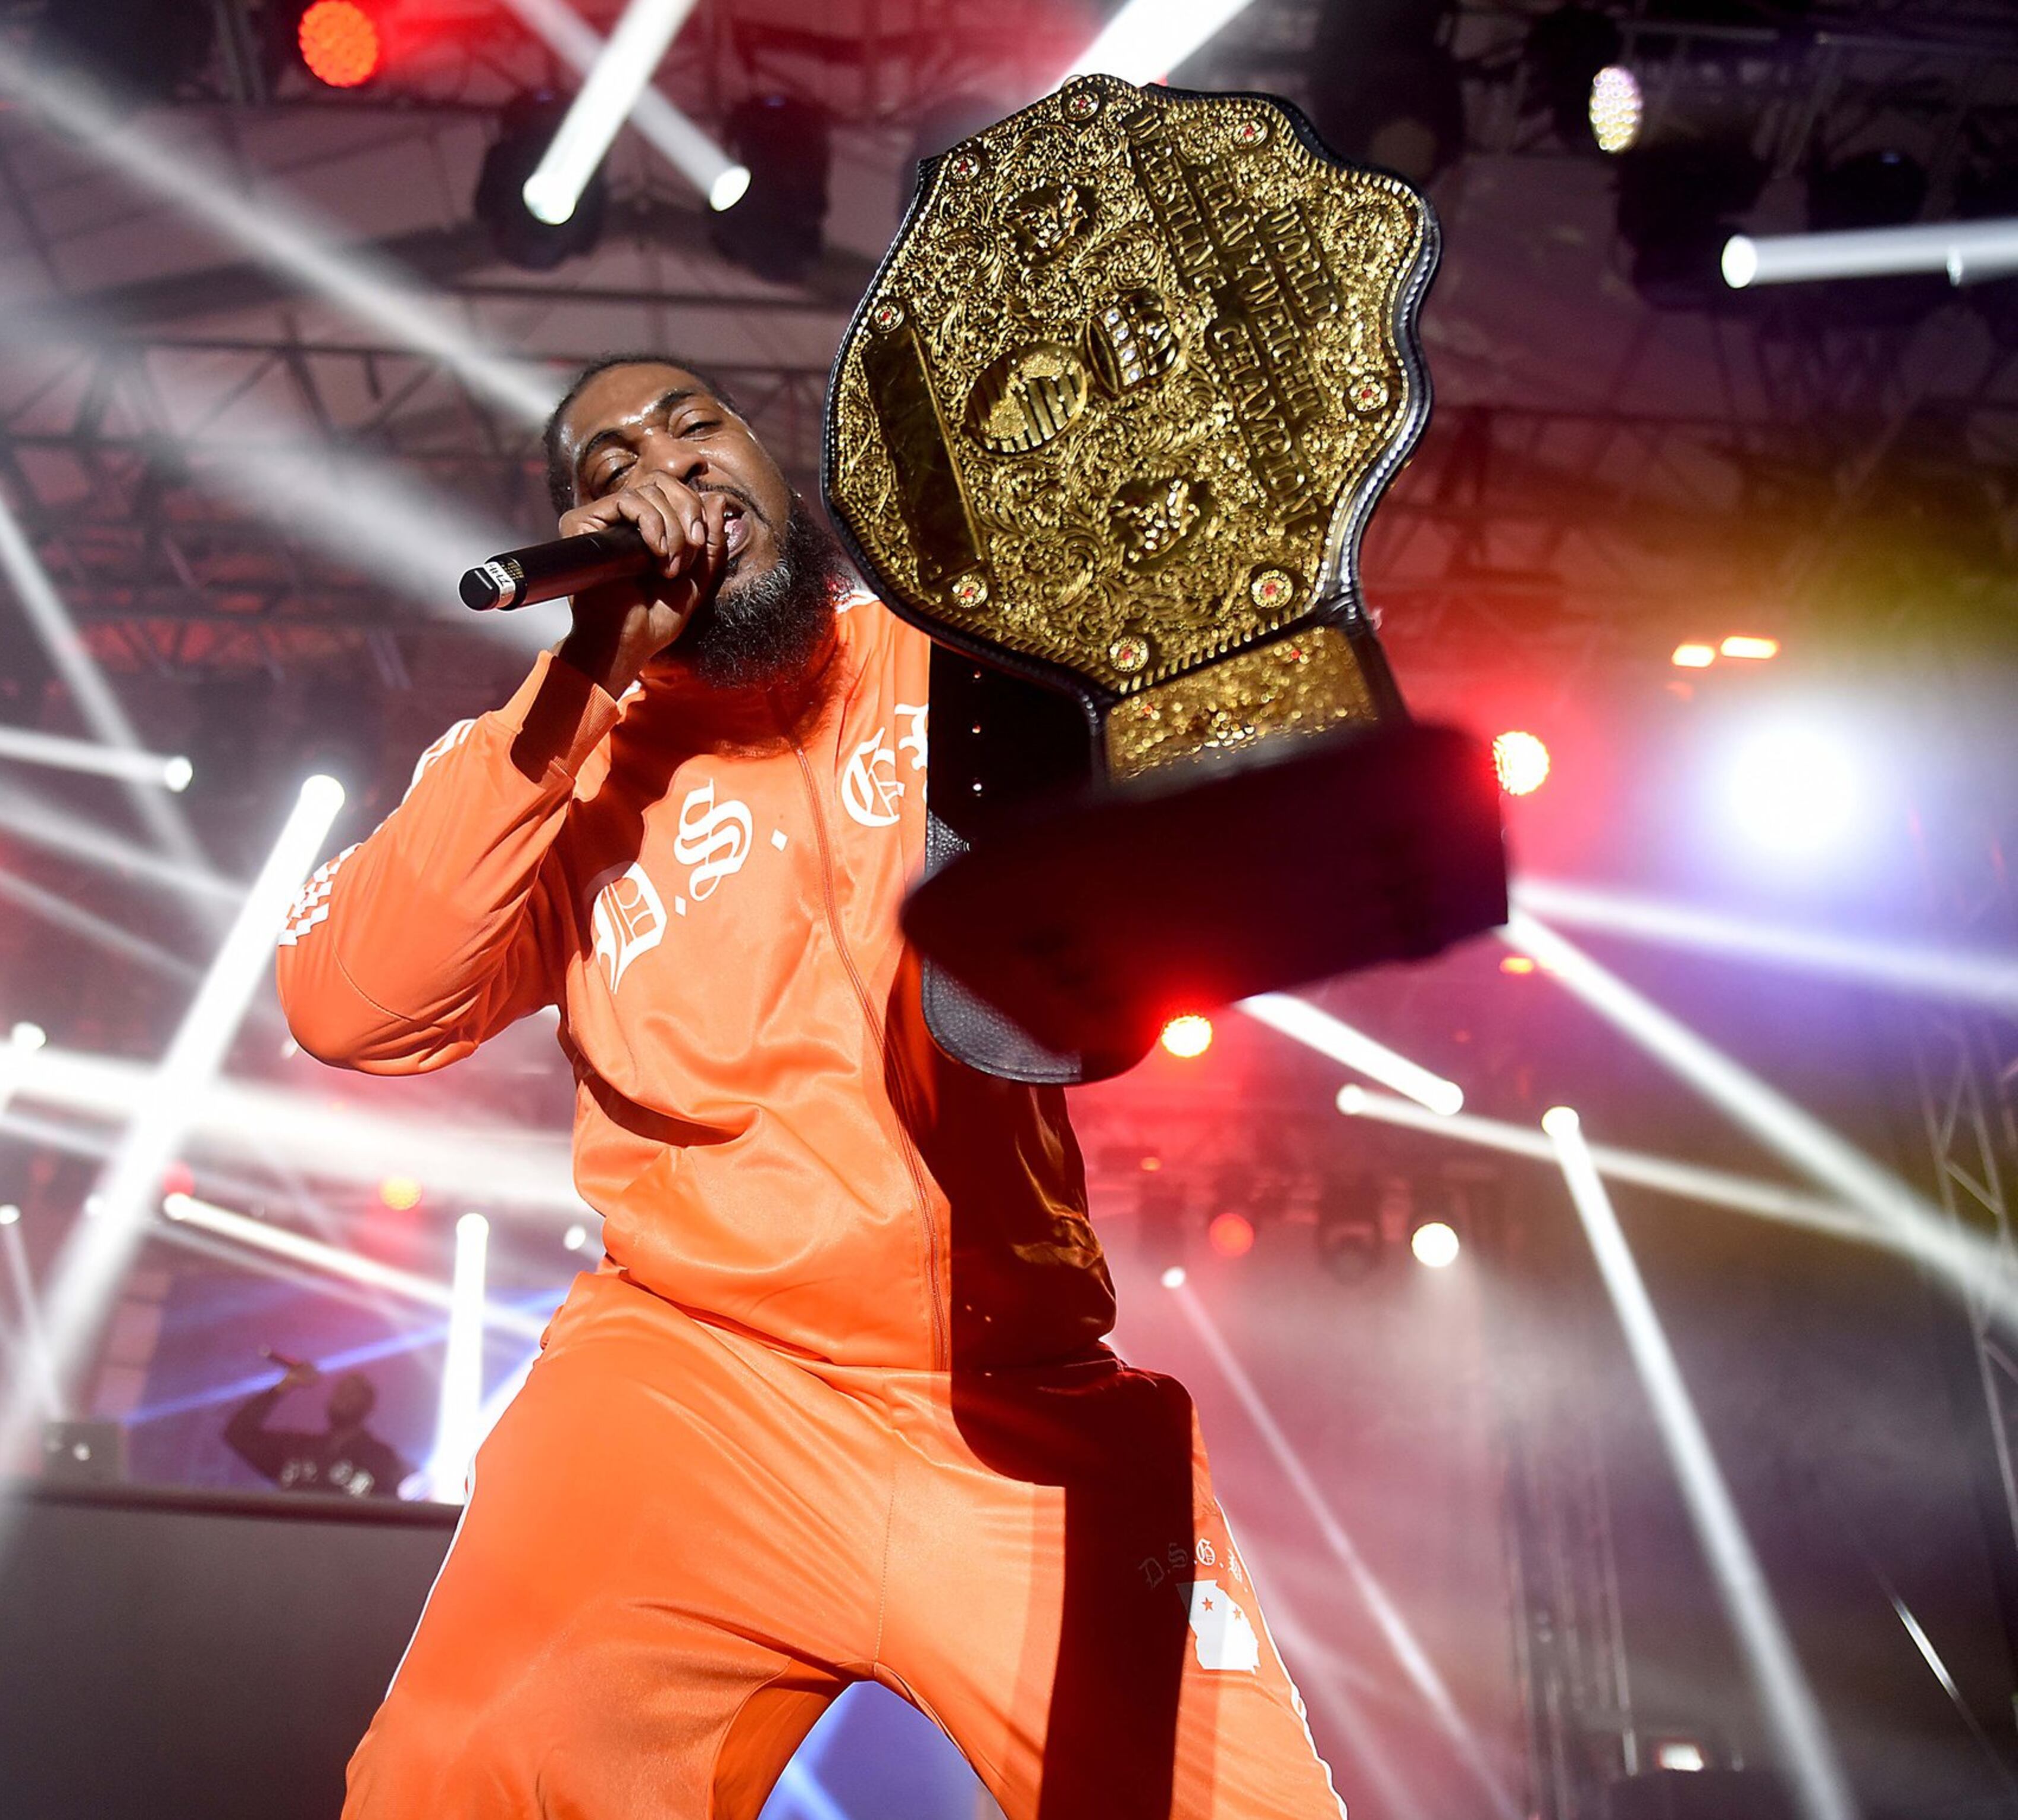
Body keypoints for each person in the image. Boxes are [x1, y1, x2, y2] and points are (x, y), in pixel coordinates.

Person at [277, 355, 1344, 1819]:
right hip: (699, 1382)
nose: (666, 465)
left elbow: (1219, 817)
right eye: (610, 469)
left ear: (780, 464)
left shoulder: (965, 663)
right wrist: (583, 672)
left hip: (1010, 1403)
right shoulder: (556, 769)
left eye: (695, 426)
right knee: (451, 1785)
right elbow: (349, 1007)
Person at [223, 1359, 409, 1498]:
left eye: (353, 1392)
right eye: (340, 1390)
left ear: (369, 1406)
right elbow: (238, 1433)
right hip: (287, 1547)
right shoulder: (295, 1448)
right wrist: (285, 1385)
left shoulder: (381, 1458)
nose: (343, 1397)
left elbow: (390, 1517)